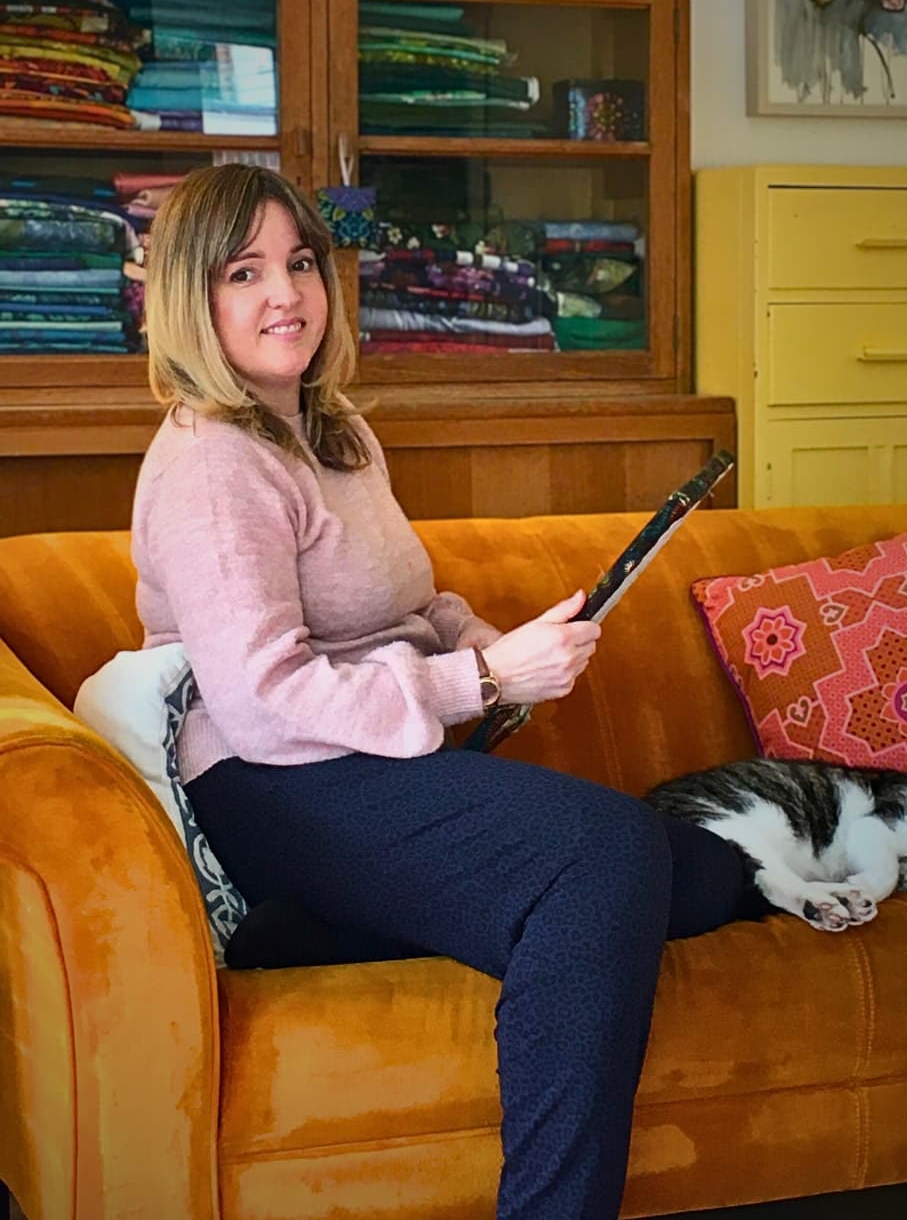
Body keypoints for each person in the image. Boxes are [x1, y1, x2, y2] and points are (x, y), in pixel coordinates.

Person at [131, 164, 761, 1220]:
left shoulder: (334, 432)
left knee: (701, 872)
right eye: (244, 272)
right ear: (191, 299)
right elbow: (260, 695)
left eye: (298, 262)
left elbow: (403, 603)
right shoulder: (210, 463)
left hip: (371, 758)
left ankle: (308, 930)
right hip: (275, 781)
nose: (284, 293)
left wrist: (486, 638)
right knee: (605, 852)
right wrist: (477, 679)